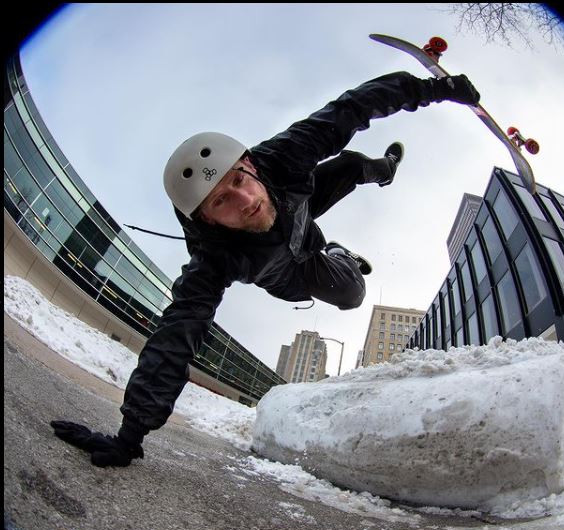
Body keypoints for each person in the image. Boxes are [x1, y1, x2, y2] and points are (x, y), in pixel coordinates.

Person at [51, 70, 480, 467]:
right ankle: (342, 255)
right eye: (221, 202)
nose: (245, 202)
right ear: (206, 220)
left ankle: (384, 171)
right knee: (352, 296)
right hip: (294, 273)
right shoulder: (212, 259)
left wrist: (435, 90)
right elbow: (176, 336)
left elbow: (355, 105)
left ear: (250, 166)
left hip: (300, 208)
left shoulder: (284, 155)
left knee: (350, 164)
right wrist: (130, 435)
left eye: (238, 182)